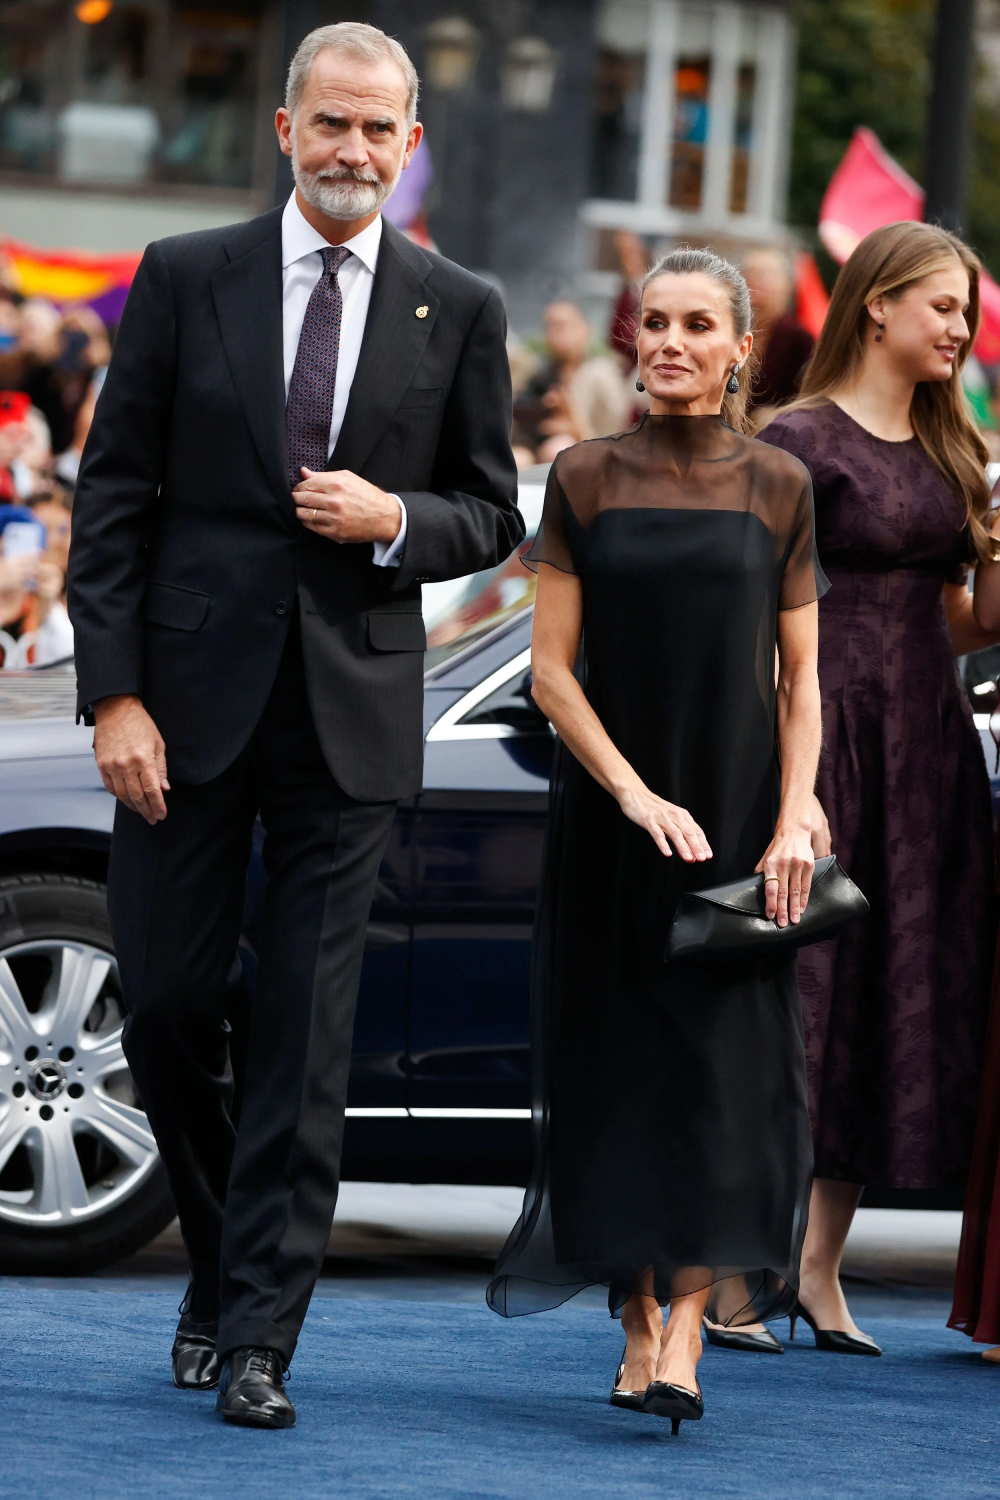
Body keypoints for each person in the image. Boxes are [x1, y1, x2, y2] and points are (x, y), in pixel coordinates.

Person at [67, 21, 521, 1430]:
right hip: (182, 718)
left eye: (380, 129)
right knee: (175, 1005)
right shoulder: (185, 275)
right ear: (284, 130)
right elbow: (115, 499)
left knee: (307, 1046)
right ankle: (217, 1264)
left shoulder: (463, 302)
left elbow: (494, 508)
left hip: (351, 721)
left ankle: (261, 1331)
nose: (354, 152)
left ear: (411, 139)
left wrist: (398, 521)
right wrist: (114, 693)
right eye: (331, 124)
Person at [487, 248, 823, 1433]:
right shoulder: (581, 475)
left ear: (741, 349)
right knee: (618, 1068)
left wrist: (794, 811)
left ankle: (684, 1330)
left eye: (696, 325)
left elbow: (800, 682)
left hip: (735, 819)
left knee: (715, 1079)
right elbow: (548, 674)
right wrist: (630, 795)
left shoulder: (781, 485)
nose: (668, 341)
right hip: (615, 820)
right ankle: (635, 1320)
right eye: (653, 321)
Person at [759, 221, 998, 1354]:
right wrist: (780, 776)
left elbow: (963, 628)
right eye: (945, 307)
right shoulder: (794, 441)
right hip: (818, 736)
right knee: (798, 998)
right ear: (878, 305)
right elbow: (751, 623)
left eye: (965, 312)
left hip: (926, 743)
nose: (961, 329)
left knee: (893, 995)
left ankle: (816, 1271)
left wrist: (995, 550)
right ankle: (738, 1267)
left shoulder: (956, 446)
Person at [513, 301, 630, 461]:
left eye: (564, 326)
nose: (558, 334)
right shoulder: (541, 375)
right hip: (537, 451)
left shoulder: (600, 374)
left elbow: (621, 429)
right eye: (551, 327)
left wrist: (573, 426)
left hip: (593, 453)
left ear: (584, 329)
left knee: (559, 448)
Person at [742, 248, 814, 415]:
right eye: (748, 272)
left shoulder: (799, 339)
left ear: (788, 286)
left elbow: (811, 398)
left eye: (765, 273)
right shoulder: (729, 333)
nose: (754, 279)